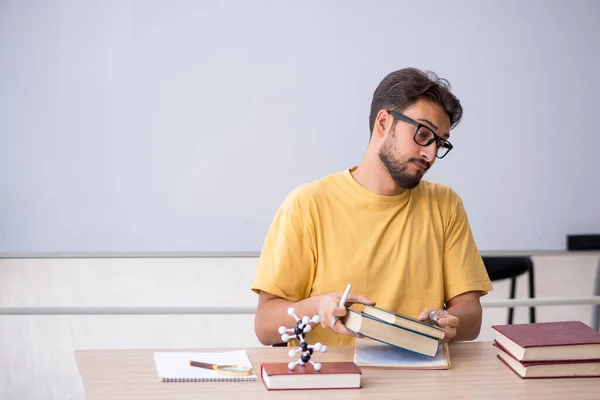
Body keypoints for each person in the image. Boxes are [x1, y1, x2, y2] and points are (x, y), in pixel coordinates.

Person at [251, 67, 493, 347]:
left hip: (419, 382)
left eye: (439, 143)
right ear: (383, 123)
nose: (430, 154)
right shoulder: (307, 204)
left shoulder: (446, 205)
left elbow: (471, 316)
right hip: (336, 383)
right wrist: (318, 308)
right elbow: (265, 326)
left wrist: (450, 323)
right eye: (423, 134)